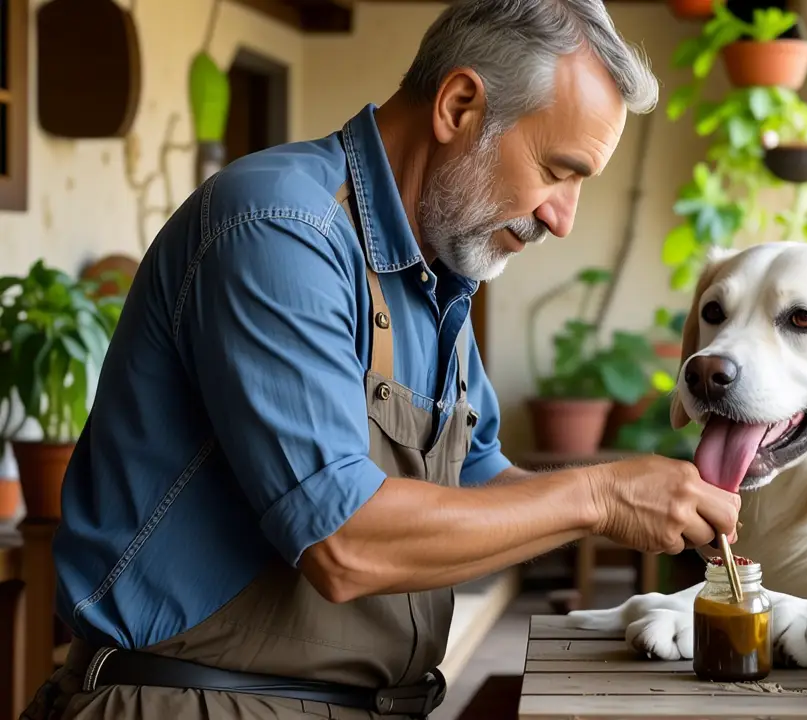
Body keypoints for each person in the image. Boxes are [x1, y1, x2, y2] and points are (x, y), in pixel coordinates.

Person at [21, 1, 740, 717]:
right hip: (194, 702)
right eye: (559, 170)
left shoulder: (439, 278)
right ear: (459, 105)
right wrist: (600, 496)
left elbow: (488, 492)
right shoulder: (279, 228)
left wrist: (633, 517)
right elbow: (344, 542)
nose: (562, 216)